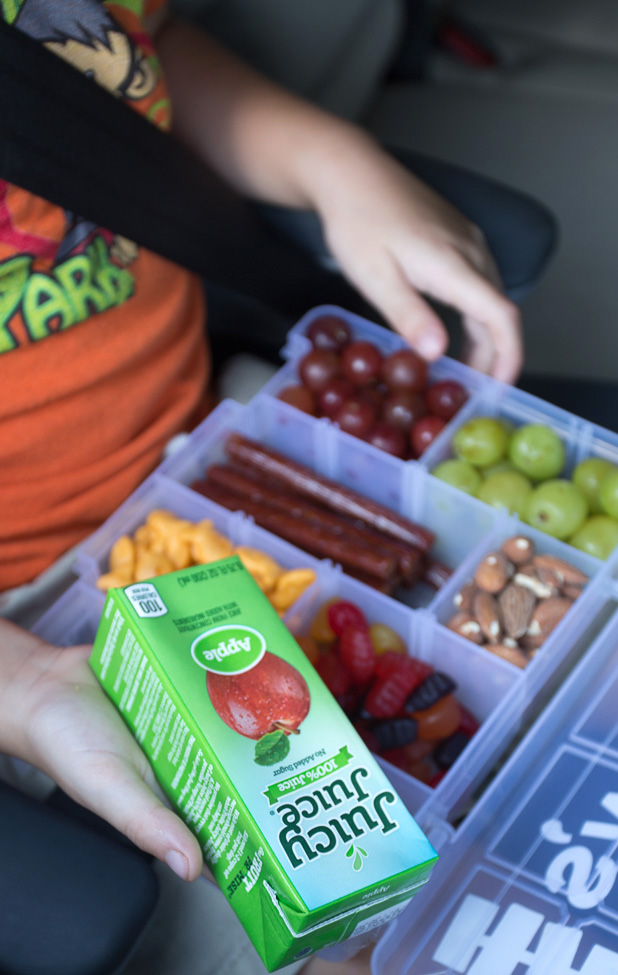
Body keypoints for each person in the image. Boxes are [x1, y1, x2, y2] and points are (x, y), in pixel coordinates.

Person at [0, 1, 534, 972]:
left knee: (572, 711)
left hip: (221, 430)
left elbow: (129, 61)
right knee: (351, 927)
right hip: (32, 616)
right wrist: (24, 681)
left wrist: (340, 168)